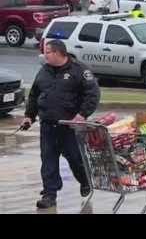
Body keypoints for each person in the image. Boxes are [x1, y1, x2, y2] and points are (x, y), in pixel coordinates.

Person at [22, 39, 100, 209]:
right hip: (48, 126)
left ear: (58, 53)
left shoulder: (79, 70)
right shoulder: (44, 71)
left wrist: (81, 115)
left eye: (47, 52)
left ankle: (85, 180)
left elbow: (92, 94)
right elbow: (35, 95)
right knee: (48, 160)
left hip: (70, 127)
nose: (44, 55)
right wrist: (29, 116)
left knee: (75, 158)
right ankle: (49, 195)